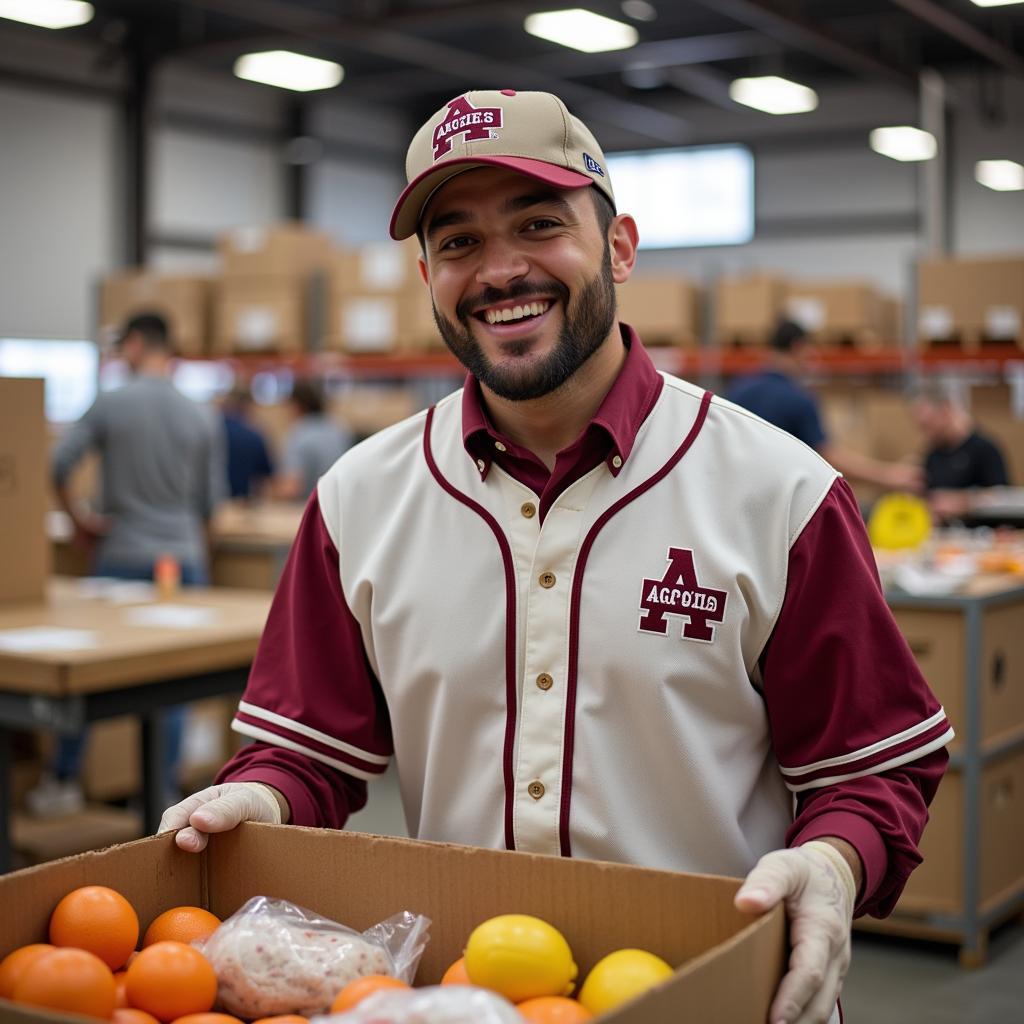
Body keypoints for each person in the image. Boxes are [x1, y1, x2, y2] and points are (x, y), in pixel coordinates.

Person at [160, 91, 951, 1024]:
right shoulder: (358, 502)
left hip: (713, 992)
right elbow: (308, 755)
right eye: (457, 243)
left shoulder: (777, 493)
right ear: (427, 275)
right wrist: (254, 800)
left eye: (539, 224)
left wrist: (830, 862)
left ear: (618, 246)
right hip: (468, 1001)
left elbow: (870, 768)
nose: (499, 271)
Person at [29, 312, 224, 816]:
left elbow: (54, 463)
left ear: (135, 344)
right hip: (179, 562)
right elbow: (210, 505)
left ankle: (64, 783)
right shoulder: (200, 413)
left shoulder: (111, 403)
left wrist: (77, 521)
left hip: (119, 557)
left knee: (88, 677)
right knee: (174, 683)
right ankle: (161, 796)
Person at [728, 319, 924, 493]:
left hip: (736, 497)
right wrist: (888, 476)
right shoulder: (797, 400)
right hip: (777, 503)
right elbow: (830, 460)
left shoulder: (738, 390)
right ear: (798, 347)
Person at [911, 381, 1010, 523]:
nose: (926, 434)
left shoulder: (984, 449)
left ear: (945, 410)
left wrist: (962, 502)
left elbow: (1003, 497)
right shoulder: (933, 455)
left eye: (928, 425)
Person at [273, 377, 351, 502]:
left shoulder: (299, 434)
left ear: (296, 406)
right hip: (338, 507)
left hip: (308, 509)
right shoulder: (338, 429)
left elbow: (291, 488)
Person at [221, 385, 275, 501]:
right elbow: (265, 475)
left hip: (215, 501)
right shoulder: (254, 435)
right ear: (248, 406)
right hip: (243, 502)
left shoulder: (213, 430)